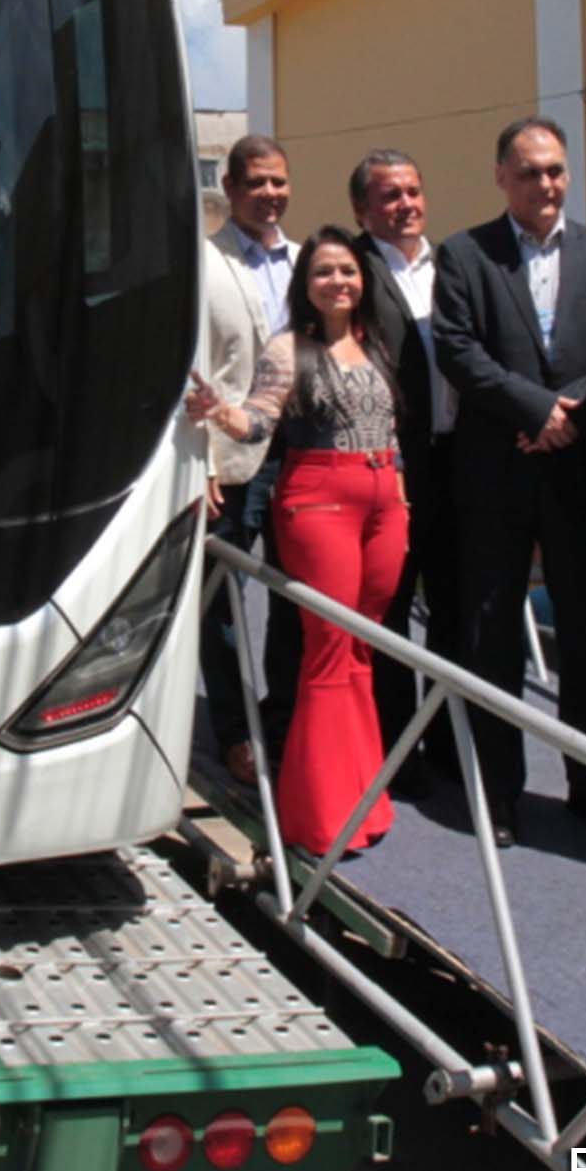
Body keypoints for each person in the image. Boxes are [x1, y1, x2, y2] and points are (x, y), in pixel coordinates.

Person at [433, 116, 586, 847]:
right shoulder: (464, 255)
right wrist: (534, 407)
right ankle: (500, 794)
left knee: (585, 637)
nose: (544, 184)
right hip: (495, 475)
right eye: (528, 173)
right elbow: (455, 348)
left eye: (554, 170)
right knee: (493, 640)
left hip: (579, 473)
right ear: (500, 177)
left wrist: (567, 414)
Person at [185, 227, 407, 856]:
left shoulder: (376, 345)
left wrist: (401, 494)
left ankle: (364, 793)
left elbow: (392, 426)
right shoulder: (289, 348)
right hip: (321, 503)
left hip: (385, 503)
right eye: (323, 273)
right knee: (329, 650)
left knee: (362, 648)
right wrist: (218, 411)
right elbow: (258, 418)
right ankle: (317, 813)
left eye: (347, 271)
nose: (338, 282)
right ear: (305, 287)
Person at [346, 149, 457, 791]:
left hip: (457, 463)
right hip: (389, 465)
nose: (406, 205)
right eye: (389, 196)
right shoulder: (352, 270)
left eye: (413, 192)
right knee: (387, 609)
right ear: (363, 208)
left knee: (453, 606)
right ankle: (394, 749)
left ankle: (445, 741)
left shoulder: (455, 265)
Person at [199, 137, 298, 782]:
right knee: (223, 604)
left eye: (279, 182)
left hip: (299, 457)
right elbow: (194, 364)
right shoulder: (205, 263)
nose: (270, 194)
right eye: (257, 183)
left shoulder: (312, 261)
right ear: (231, 189)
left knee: (294, 597)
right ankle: (235, 731)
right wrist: (202, 460)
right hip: (231, 459)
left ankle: (282, 718)